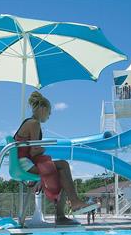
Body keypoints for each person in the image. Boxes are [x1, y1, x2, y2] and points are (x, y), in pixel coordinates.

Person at [14, 91, 97, 225]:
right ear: (43, 109)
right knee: (63, 165)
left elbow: (32, 150)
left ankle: (62, 215)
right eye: (49, 112)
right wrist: (43, 149)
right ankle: (73, 203)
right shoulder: (34, 123)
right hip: (25, 163)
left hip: (25, 162)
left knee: (63, 175)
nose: (49, 115)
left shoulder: (30, 123)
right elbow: (35, 151)